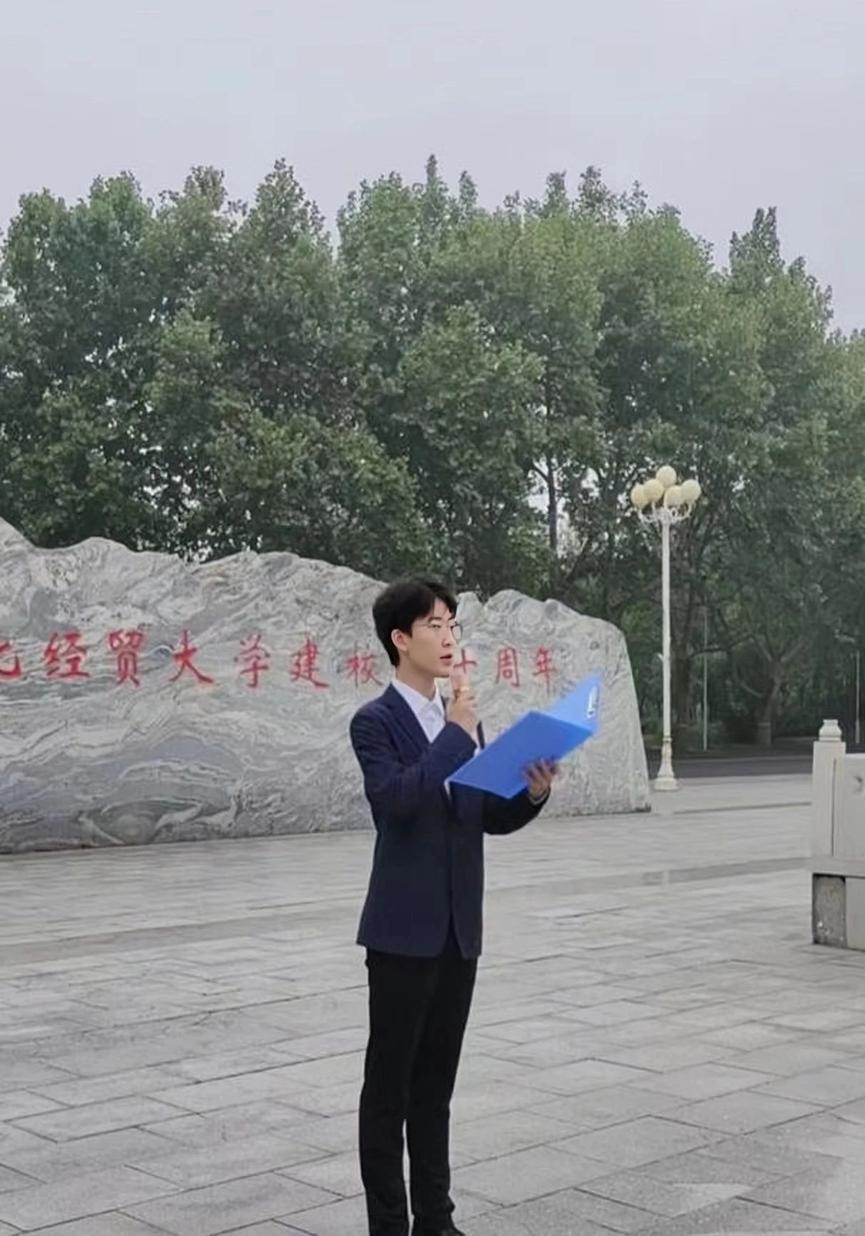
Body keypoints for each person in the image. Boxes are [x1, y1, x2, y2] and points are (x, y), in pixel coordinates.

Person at [350, 576, 557, 1236]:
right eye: (434, 625)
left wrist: (530, 792)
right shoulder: (375, 722)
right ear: (400, 639)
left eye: (453, 625)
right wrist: (457, 733)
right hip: (401, 934)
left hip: (458, 931)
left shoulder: (462, 720)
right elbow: (398, 802)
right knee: (389, 1091)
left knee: (435, 1086)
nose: (448, 638)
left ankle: (436, 1221)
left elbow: (483, 816)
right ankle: (389, 1225)